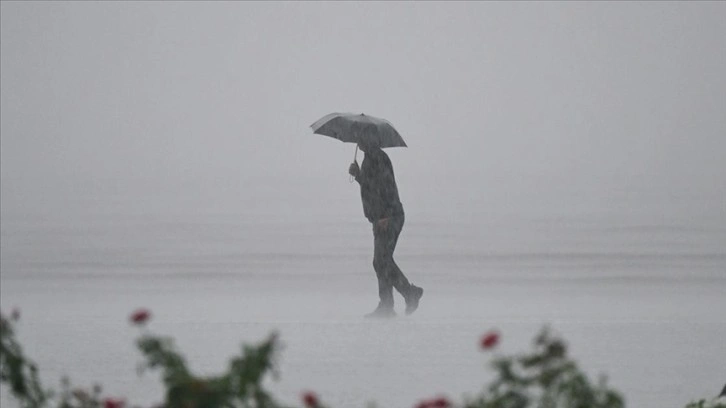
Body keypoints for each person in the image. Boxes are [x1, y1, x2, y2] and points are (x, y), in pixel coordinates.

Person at [348, 141, 423, 317]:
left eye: (362, 138)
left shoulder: (378, 158)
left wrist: (385, 215)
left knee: (382, 260)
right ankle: (388, 304)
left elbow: (387, 187)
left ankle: (407, 294)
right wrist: (358, 175)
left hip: (390, 216)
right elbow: (371, 187)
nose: (359, 142)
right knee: (381, 261)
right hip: (381, 217)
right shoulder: (369, 158)